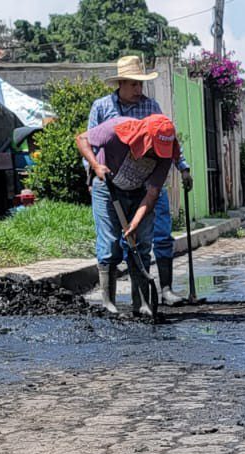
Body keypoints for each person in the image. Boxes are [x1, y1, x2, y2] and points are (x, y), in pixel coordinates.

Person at [83, 55, 192, 311]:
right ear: (120, 83)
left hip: (143, 182)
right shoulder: (104, 110)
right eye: (133, 84)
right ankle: (109, 302)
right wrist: (93, 171)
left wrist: (183, 167)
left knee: (148, 238)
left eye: (140, 84)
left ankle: (146, 298)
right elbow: (88, 141)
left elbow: (166, 140)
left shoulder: (151, 107)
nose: (138, 89)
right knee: (110, 243)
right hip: (110, 183)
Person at [75, 114, 182, 317]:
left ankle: (141, 304)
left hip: (139, 193)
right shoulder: (116, 130)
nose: (154, 153)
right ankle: (108, 303)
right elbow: (82, 139)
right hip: (107, 188)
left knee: (141, 245)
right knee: (110, 244)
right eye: (153, 148)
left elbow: (152, 194)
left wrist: (134, 222)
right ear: (144, 138)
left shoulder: (166, 155)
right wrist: (96, 165)